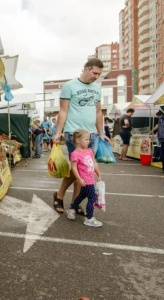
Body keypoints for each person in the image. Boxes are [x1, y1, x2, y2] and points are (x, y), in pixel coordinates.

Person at [52, 58, 108, 215]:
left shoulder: (97, 88)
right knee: (78, 168)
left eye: (99, 74)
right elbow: (62, 111)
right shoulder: (69, 86)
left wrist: (101, 132)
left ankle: (74, 203)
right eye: (95, 73)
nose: (96, 76)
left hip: (92, 135)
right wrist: (58, 133)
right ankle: (60, 196)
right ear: (86, 69)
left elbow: (98, 112)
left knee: (84, 171)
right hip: (74, 133)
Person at [66, 129, 103, 227]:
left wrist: (99, 174)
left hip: (91, 179)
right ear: (78, 141)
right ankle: (89, 218)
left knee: (81, 196)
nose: (89, 141)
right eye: (86, 139)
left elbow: (94, 163)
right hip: (84, 181)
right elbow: (74, 168)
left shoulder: (90, 151)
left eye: (89, 139)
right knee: (92, 198)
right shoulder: (75, 154)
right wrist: (79, 179)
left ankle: (71, 208)